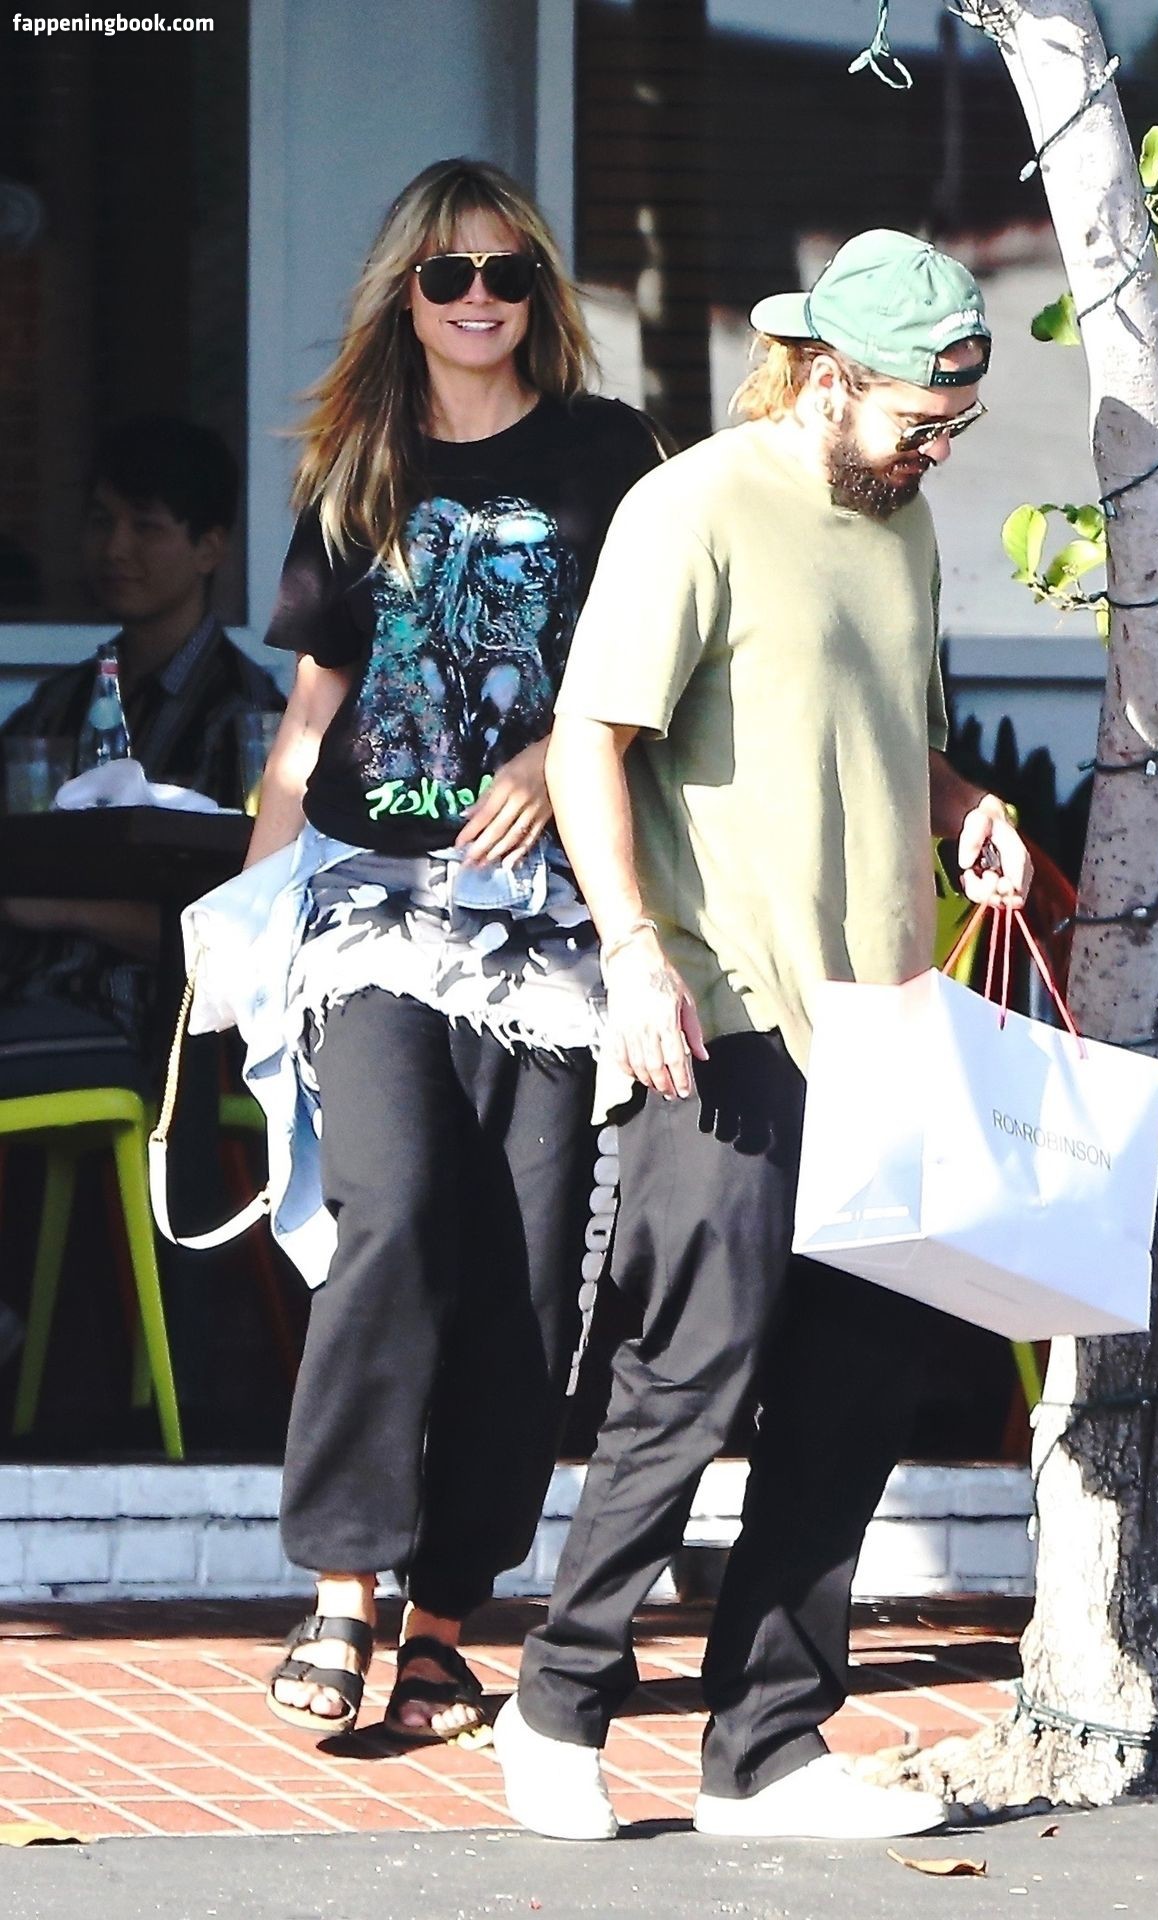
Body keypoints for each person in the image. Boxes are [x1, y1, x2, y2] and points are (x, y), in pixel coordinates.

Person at [493, 230, 1034, 1841]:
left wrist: (964, 807)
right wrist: (632, 953)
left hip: (880, 1022)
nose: (939, 450)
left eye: (956, 424)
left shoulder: (905, 524)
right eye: (920, 420)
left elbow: (885, 734)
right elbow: (588, 743)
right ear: (829, 377)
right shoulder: (696, 506)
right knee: (692, 1371)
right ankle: (557, 1704)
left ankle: (767, 1751)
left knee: (860, 1385)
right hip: (720, 1007)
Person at [247, 157, 664, 1744]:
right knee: (402, 1207)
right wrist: (246, 929)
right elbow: (310, 723)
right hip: (374, 909)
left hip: (554, 923)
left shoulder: (612, 457)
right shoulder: (363, 462)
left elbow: (666, 666)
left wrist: (555, 749)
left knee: (528, 1271)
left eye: (506, 273)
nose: (478, 298)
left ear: (539, 292)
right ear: (405, 295)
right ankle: (341, 1584)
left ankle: (442, 1620)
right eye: (448, 274)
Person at [0, 414, 283, 1069]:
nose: (116, 548)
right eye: (102, 521)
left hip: (152, 1033)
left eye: (146, 527)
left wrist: (56, 911)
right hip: (26, 1001)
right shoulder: (58, 706)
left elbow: (246, 929)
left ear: (210, 548)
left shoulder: (248, 720)